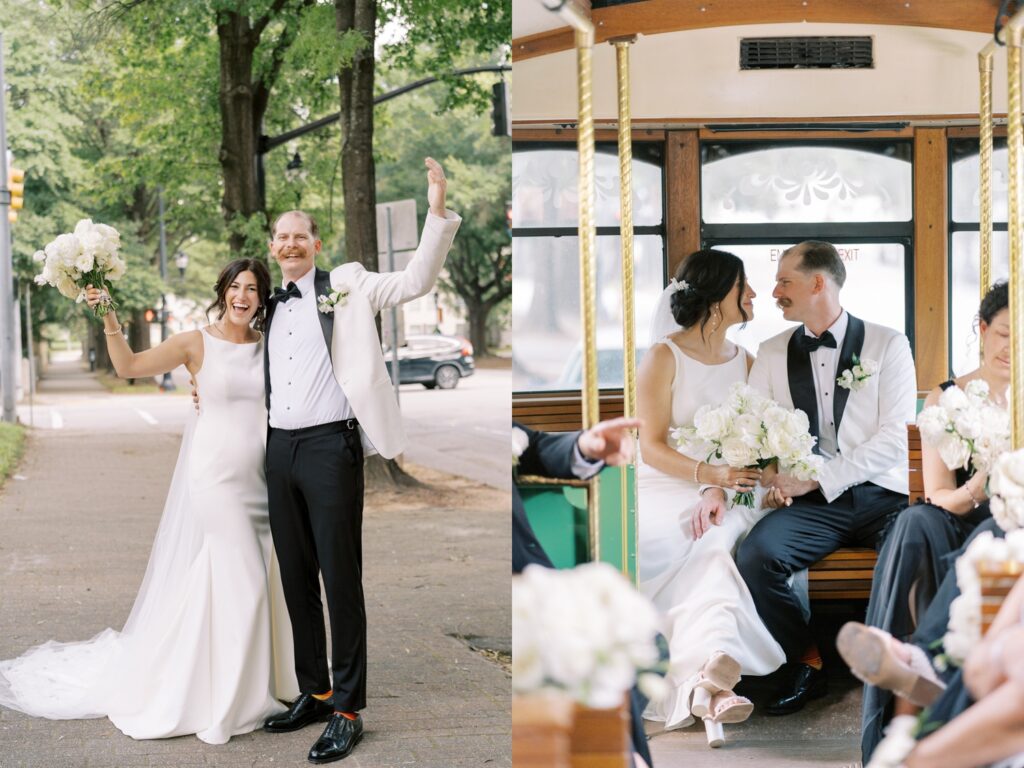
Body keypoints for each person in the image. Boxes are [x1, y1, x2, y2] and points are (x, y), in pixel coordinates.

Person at [0, 259, 299, 744]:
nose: (242, 296)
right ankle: (228, 701)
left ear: (262, 297)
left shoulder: (269, 347)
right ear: (222, 291)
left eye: (252, 289)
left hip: (260, 481)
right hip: (216, 479)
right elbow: (129, 367)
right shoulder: (194, 341)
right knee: (245, 581)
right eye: (234, 287)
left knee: (244, 580)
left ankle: (241, 675)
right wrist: (110, 316)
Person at [258, 158, 460, 764]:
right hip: (278, 450)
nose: (290, 243)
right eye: (281, 236)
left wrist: (436, 206)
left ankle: (348, 709)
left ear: (315, 245)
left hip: (329, 448)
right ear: (272, 248)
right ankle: (314, 691)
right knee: (295, 579)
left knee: (339, 581)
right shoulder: (268, 305)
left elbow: (417, 281)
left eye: (300, 235)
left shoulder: (349, 284)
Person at [736, 240, 917, 715]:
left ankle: (898, 667)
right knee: (757, 556)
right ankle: (806, 659)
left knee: (912, 553)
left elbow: (896, 440)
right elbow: (757, 432)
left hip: (884, 493)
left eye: (784, 281)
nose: (774, 291)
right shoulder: (772, 352)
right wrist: (773, 478)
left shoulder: (888, 343)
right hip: (811, 507)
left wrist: (818, 479)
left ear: (818, 283)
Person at [846, 281, 1010, 762]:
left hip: (1010, 523)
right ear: (982, 330)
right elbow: (941, 496)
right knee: (912, 523)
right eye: (1003, 334)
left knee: (993, 532)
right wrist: (983, 477)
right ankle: (882, 712)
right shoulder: (948, 399)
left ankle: (926, 660)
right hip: (960, 511)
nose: (1011, 348)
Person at [636, 249, 789, 747]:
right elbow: (652, 446)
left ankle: (710, 680)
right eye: (743, 286)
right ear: (717, 296)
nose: (753, 295)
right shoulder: (664, 356)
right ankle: (709, 682)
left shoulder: (746, 361)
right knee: (689, 542)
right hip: (666, 483)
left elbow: (760, 440)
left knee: (715, 542)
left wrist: (754, 481)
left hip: (725, 492)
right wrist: (709, 475)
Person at [512, 416, 653, 768]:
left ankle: (623, 755)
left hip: (531, 584)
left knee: (632, 641)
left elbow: (537, 445)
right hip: (518, 593)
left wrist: (583, 447)